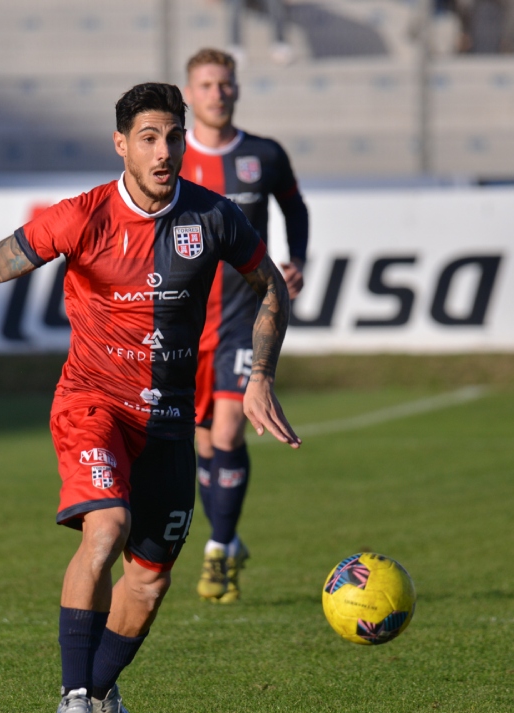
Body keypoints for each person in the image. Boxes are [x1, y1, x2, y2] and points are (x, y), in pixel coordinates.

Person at [0, 83, 300, 713]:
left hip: (171, 423)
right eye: (148, 137)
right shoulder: (82, 216)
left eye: (173, 136)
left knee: (150, 582)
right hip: (93, 404)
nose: (163, 150)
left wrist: (261, 374)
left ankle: (101, 690)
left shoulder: (212, 217)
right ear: (121, 143)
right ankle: (72, 695)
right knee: (106, 528)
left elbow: (270, 286)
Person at [179, 48, 309, 604]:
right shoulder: (168, 158)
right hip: (184, 322)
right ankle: (229, 542)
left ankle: (219, 549)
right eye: (206, 85)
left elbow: (294, 207)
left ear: (236, 90)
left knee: (230, 431)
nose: (217, 93)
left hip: (243, 316)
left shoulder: (263, 154)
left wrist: (296, 256)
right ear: (189, 94)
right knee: (205, 443)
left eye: (225, 84)